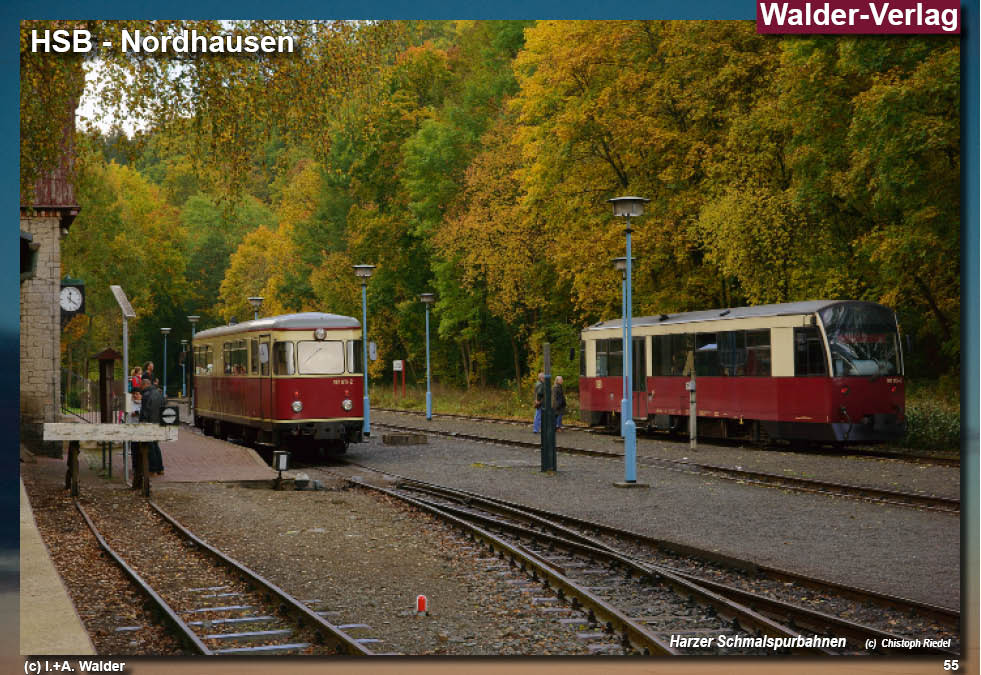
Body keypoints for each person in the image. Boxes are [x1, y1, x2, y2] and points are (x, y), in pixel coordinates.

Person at [139, 379, 166, 476]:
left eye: (141, 386)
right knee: (156, 445)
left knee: (150, 447)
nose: (140, 388)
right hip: (158, 423)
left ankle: (153, 469)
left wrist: (142, 423)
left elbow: (145, 411)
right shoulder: (159, 394)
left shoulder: (146, 395)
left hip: (149, 423)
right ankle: (160, 468)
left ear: (145, 385)